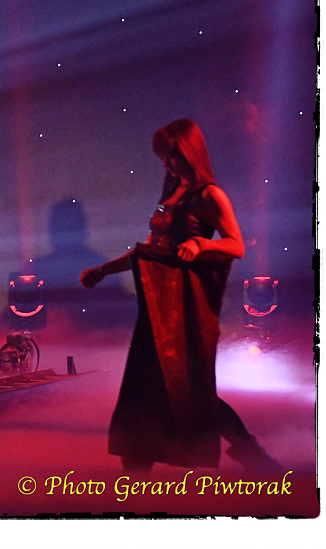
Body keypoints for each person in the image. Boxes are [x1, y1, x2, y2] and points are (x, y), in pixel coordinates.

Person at [80, 119, 280, 474]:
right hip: (159, 307)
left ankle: (251, 453)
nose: (166, 163)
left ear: (189, 152)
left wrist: (202, 243)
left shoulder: (209, 196)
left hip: (186, 310)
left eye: (171, 155)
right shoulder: (170, 195)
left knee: (193, 392)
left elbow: (235, 245)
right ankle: (137, 469)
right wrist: (103, 270)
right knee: (146, 385)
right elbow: (150, 252)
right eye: (163, 156)